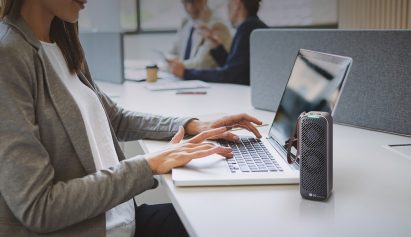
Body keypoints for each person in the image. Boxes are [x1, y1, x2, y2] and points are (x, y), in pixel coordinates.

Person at [0, 0, 263, 236]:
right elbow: (38, 208)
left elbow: (115, 119)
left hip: (121, 218)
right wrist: (148, 165)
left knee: (235, 219)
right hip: (97, 228)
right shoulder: (9, 55)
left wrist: (192, 125)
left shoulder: (62, 40)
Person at [169, 0, 268, 85]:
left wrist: (186, 73)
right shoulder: (252, 26)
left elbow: (229, 75)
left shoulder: (247, 28)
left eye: (229, 3)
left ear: (237, 3)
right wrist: (216, 45)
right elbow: (233, 67)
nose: (228, 7)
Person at [169, 0, 232, 69]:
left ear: (204, 1)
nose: (190, 7)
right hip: (181, 77)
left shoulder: (217, 26)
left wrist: (173, 66)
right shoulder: (186, 23)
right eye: (185, 2)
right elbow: (173, 52)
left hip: (202, 78)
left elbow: (201, 64)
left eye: (194, 2)